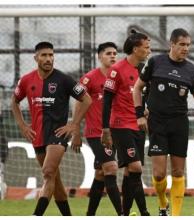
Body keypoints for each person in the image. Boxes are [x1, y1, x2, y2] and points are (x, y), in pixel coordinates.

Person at [133, 28, 194, 216]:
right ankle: (162, 203)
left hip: (179, 124)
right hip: (157, 123)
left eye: (188, 45)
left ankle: (175, 216)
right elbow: (137, 88)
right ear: (172, 44)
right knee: (159, 174)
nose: (186, 49)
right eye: (182, 45)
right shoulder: (155, 62)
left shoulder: (192, 70)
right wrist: (139, 114)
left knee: (177, 172)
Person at [11, 41, 91, 215]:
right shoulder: (26, 80)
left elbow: (87, 99)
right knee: (55, 180)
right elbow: (14, 102)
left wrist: (74, 124)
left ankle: (36, 216)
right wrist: (23, 126)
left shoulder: (64, 79)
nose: (48, 59)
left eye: (51, 55)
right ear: (36, 58)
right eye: (44, 55)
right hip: (38, 135)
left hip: (58, 133)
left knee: (48, 173)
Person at [101, 30, 151, 216]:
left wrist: (146, 110)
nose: (149, 50)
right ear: (136, 49)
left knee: (132, 172)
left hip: (138, 125)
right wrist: (105, 129)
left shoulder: (144, 69)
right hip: (120, 125)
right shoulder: (117, 70)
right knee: (136, 167)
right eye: (146, 47)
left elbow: (147, 95)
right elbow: (106, 101)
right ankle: (143, 212)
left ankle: (125, 213)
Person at [74, 42, 122, 216]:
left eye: (115, 53)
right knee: (111, 168)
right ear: (99, 56)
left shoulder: (118, 77)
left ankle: (90, 215)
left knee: (101, 173)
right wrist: (75, 130)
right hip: (96, 133)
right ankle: (123, 214)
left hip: (115, 131)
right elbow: (78, 101)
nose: (113, 56)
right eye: (108, 53)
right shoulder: (89, 78)